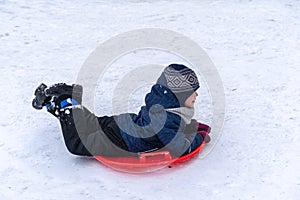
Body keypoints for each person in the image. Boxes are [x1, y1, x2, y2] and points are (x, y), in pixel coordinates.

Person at [32, 64, 211, 158]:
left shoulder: (163, 106)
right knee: (78, 143)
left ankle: (57, 101)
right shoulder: (167, 117)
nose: (196, 94)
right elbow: (179, 148)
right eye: (191, 91)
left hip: (121, 124)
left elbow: (173, 131)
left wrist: (192, 126)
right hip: (120, 140)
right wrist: (199, 137)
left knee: (89, 124)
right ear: (177, 96)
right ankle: (67, 105)